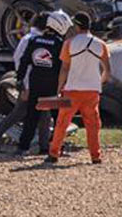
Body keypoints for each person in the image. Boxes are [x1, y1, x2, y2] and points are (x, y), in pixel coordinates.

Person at [46, 12, 111, 164]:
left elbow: (64, 69)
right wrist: (98, 83)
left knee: (62, 123)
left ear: (76, 26)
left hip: (72, 90)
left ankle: (54, 154)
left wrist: (59, 88)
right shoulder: (101, 44)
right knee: (93, 125)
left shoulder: (69, 43)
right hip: (92, 91)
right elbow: (108, 70)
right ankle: (95, 156)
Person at [0, 12, 47, 152]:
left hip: (31, 83)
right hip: (30, 83)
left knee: (27, 114)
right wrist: (25, 85)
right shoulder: (31, 40)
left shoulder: (30, 38)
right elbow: (21, 63)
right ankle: (44, 146)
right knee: (37, 114)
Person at [14, 10, 72, 156]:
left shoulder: (34, 41)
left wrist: (20, 81)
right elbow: (63, 67)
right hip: (52, 88)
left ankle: (23, 148)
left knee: (31, 118)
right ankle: (56, 147)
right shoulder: (60, 44)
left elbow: (24, 62)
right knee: (59, 119)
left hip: (35, 85)